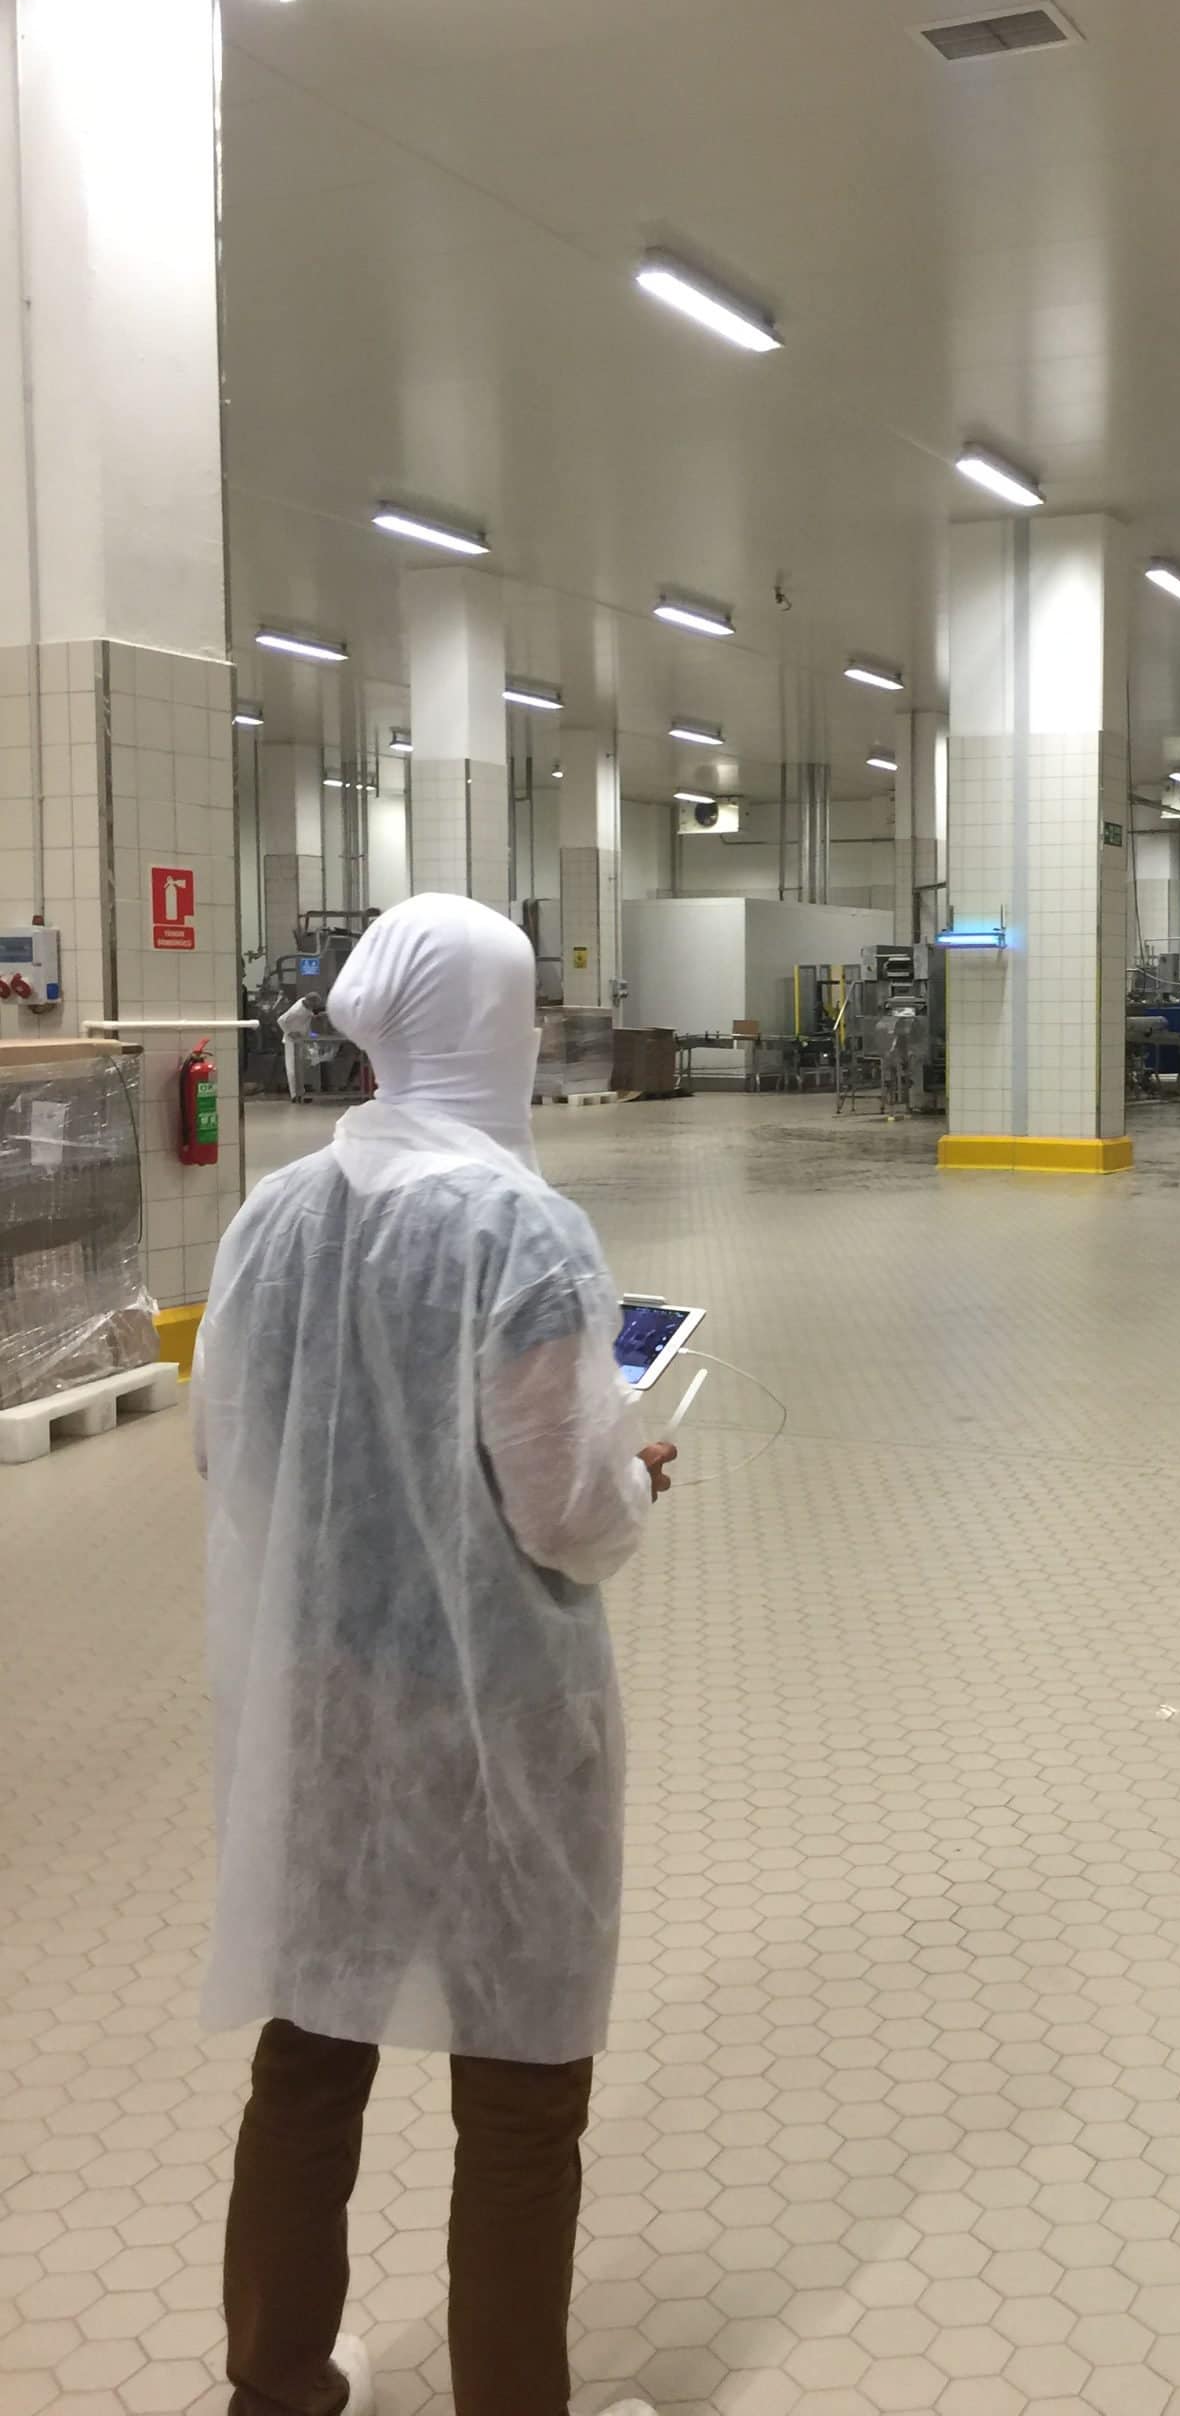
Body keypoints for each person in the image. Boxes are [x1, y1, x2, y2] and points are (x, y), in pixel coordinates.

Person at [196, 894, 675, 2416]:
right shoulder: (521, 1230)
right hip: (501, 1714)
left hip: (328, 1691)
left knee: (314, 2040)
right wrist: (633, 1479)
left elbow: (228, 1453)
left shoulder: (273, 1213)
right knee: (524, 2085)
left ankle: (276, 2379)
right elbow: (566, 1517)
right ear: (491, 1025)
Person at [278, 991, 319, 1102]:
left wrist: (316, 1017)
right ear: (309, 1001)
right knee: (292, 1068)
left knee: (301, 1066)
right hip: (291, 1041)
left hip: (301, 1039)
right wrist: (290, 1032)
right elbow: (281, 1020)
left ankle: (301, 1093)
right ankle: (294, 1095)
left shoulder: (304, 1003)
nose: (314, 1007)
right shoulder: (296, 1010)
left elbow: (307, 1016)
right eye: (314, 1004)